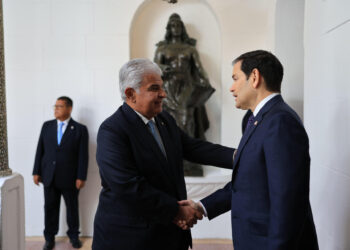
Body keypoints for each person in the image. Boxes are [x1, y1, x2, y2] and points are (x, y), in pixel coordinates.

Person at [178, 50, 319, 250]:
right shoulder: (254, 120)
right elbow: (247, 183)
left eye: (235, 78)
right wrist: (202, 206)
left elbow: (288, 203)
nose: (231, 87)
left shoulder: (281, 122)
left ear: (254, 77)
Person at [92, 58, 234, 250]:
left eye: (162, 87)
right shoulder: (112, 131)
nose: (164, 94)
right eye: (155, 88)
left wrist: (241, 156)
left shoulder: (164, 120)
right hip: (130, 239)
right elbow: (128, 186)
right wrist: (177, 211)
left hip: (169, 235)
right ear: (131, 93)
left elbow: (195, 148)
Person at [154, 13, 215, 176]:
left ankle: (189, 159)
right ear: (169, 28)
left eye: (179, 25)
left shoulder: (190, 49)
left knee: (188, 121)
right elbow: (155, 69)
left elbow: (199, 68)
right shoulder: (162, 49)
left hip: (186, 87)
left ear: (182, 28)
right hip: (169, 88)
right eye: (173, 25)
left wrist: (206, 81)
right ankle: (172, 158)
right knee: (168, 123)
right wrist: (165, 70)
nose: (176, 28)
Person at [32, 96, 89, 250]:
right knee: (50, 208)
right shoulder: (47, 126)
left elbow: (83, 156)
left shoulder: (79, 129)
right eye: (55, 106)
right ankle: (49, 238)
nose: (56, 109)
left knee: (72, 209)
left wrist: (81, 176)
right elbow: (40, 150)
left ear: (69, 108)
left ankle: (74, 236)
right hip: (48, 176)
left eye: (60, 106)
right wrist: (36, 171)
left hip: (70, 178)